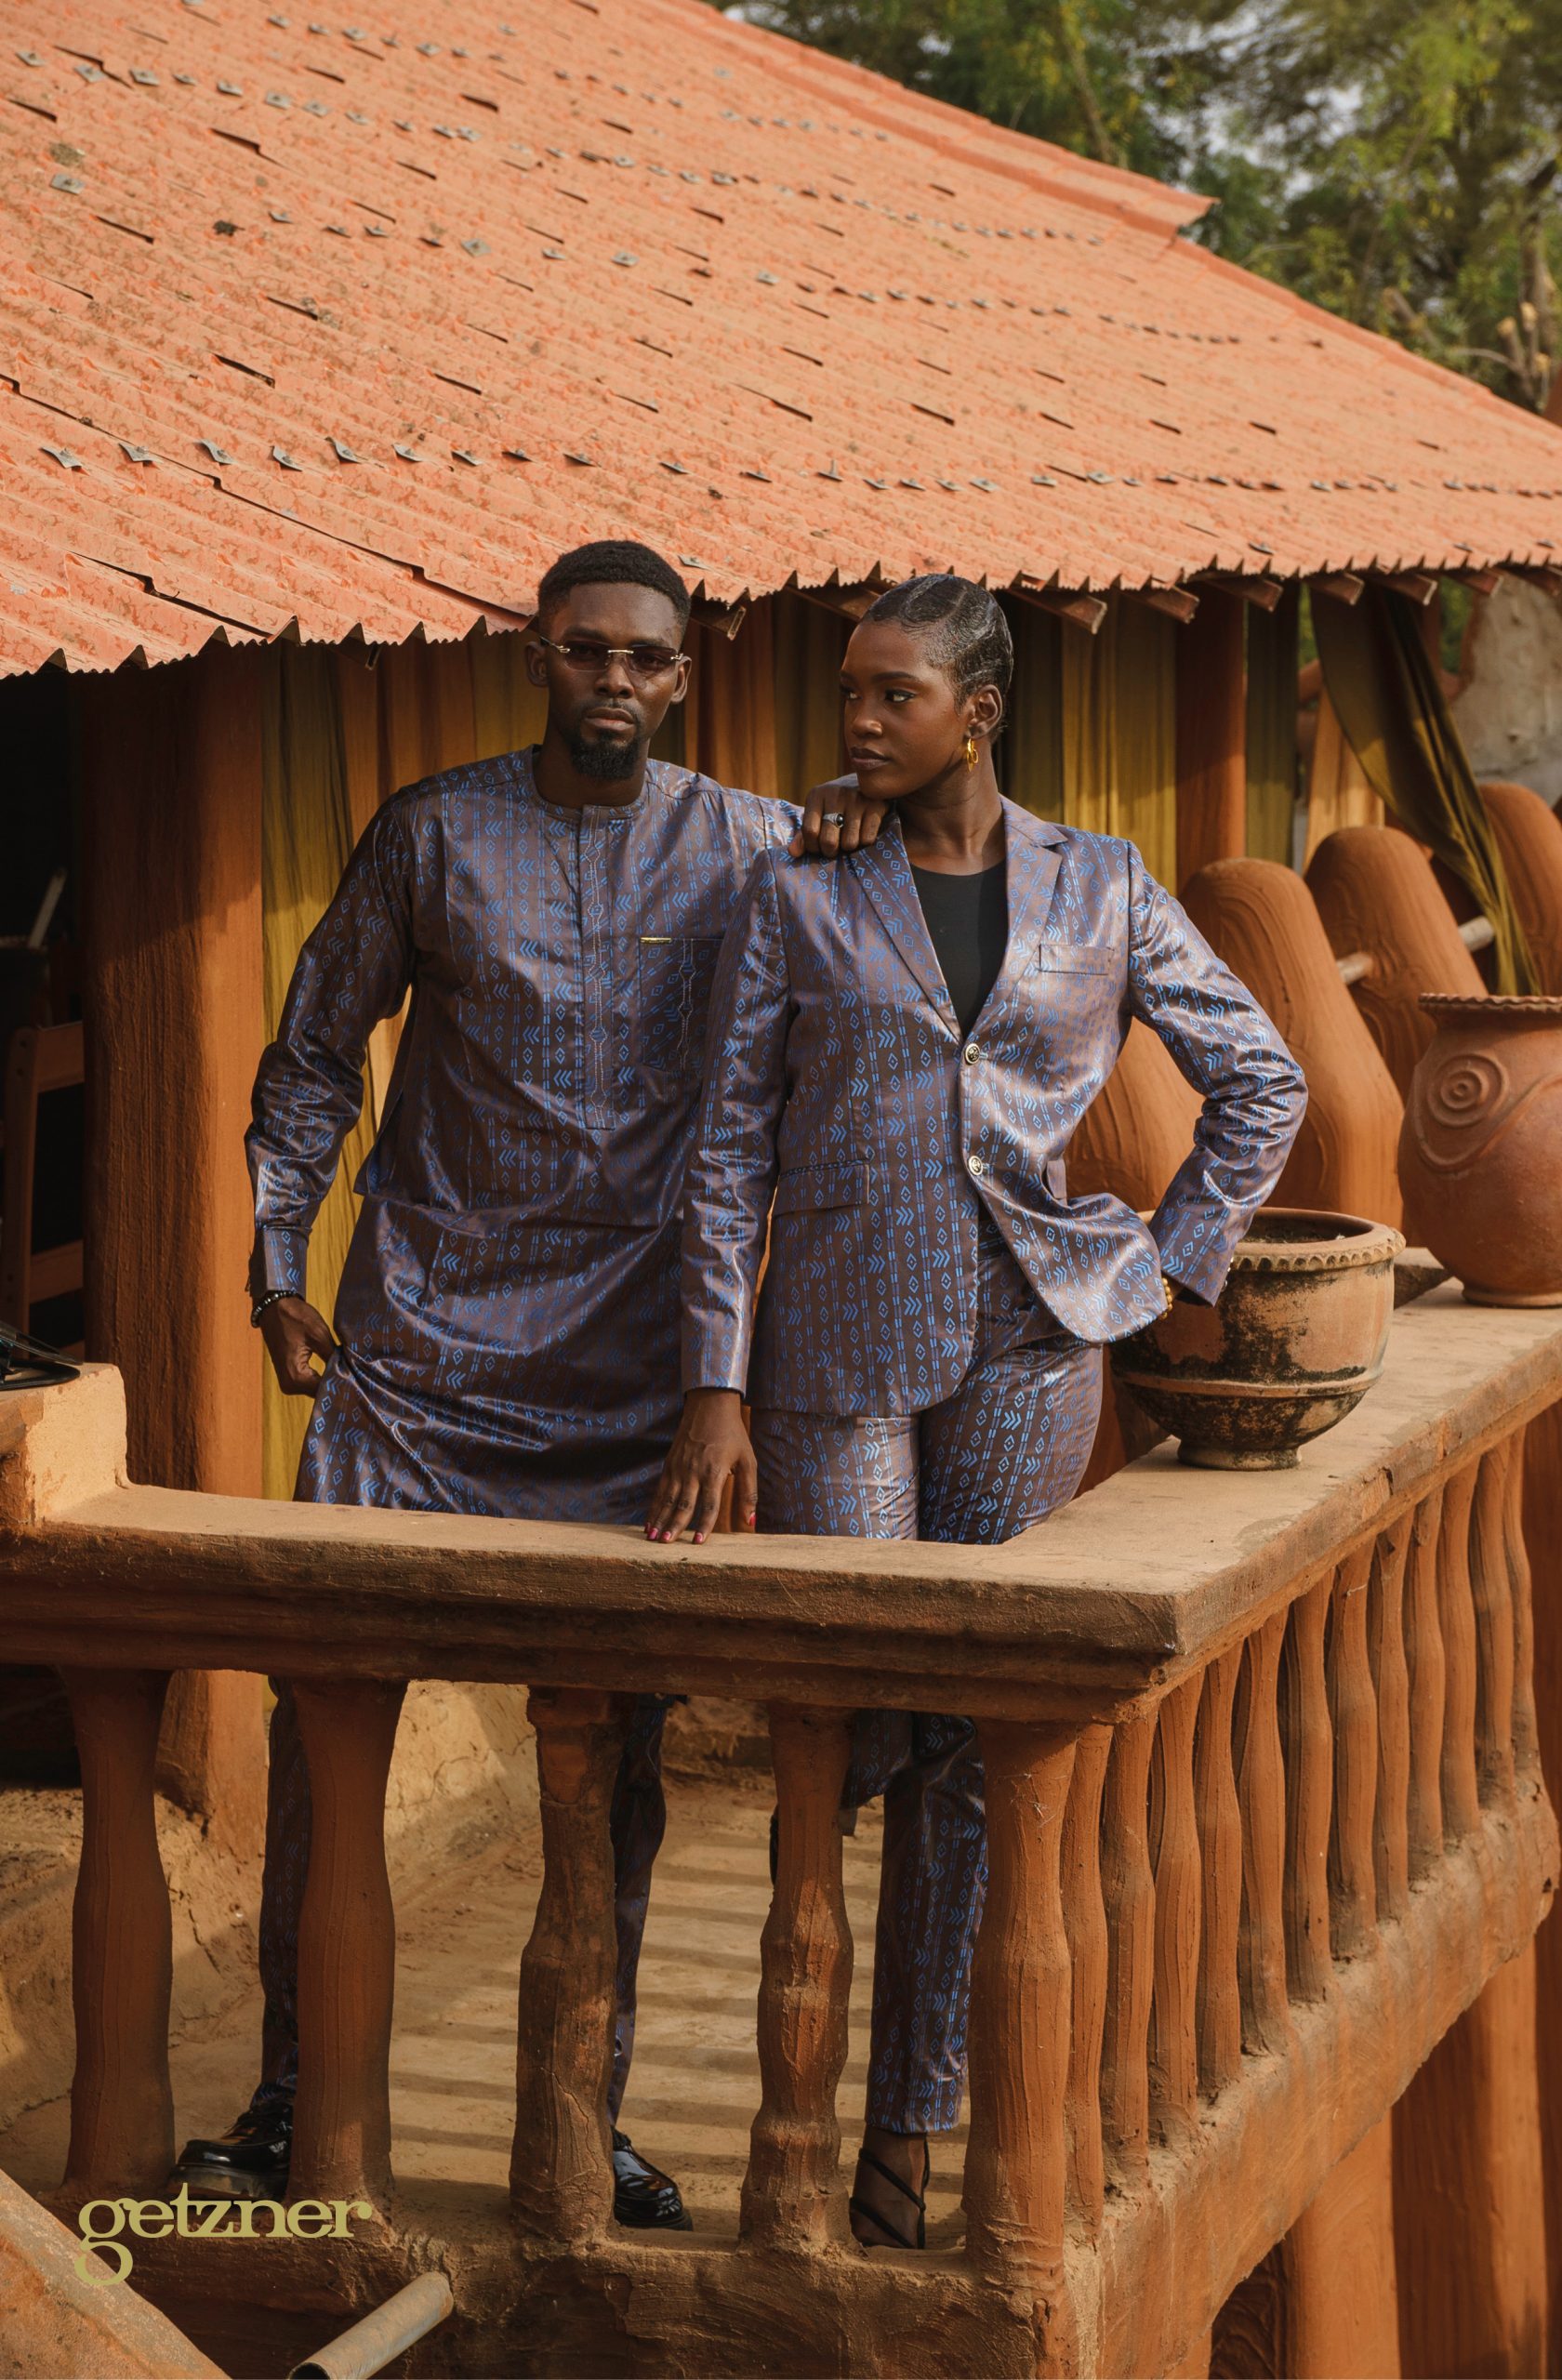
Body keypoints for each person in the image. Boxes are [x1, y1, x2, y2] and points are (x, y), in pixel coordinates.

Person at [169, 539, 885, 2223]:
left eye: (645, 659)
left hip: (641, 1373)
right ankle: (294, 2101)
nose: (614, 683)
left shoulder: (749, 843)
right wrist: (278, 1267)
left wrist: (856, 828)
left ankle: (591, 2113)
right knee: (326, 1726)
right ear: (539, 656)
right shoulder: (430, 832)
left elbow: (897, 947)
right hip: (414, 1353)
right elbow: (310, 1056)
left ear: (685, 674)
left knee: (612, 1762)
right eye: (586, 654)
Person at [646, 573, 1306, 2248]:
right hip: (836, 1356)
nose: (857, 721)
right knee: (850, 1710)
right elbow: (725, 1155)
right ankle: (797, 2104)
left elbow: (1263, 1076)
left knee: (969, 1740)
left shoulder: (1103, 886)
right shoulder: (801, 895)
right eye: (848, 694)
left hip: (1034, 1340)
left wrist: (1171, 1266)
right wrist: (715, 1382)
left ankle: (910, 2118)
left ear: (978, 712)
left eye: (891, 696)